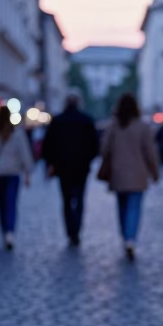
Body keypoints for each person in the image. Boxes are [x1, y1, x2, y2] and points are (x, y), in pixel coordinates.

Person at [99, 93, 159, 261]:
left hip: (118, 174)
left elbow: (104, 150)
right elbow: (150, 153)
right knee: (134, 208)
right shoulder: (143, 127)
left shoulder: (114, 127)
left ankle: (125, 236)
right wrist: (155, 172)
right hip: (138, 174)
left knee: (122, 207)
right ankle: (131, 238)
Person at [41, 91, 98, 247]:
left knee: (66, 200)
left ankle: (70, 230)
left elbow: (48, 146)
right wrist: (86, 160)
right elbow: (94, 147)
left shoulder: (57, 121)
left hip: (63, 168)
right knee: (79, 200)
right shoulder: (86, 120)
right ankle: (76, 230)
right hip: (81, 168)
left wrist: (51, 163)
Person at [0, 108, 34, 250]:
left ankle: (5, 230)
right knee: (11, 203)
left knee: (2, 204)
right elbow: (25, 154)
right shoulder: (17, 133)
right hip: (13, 173)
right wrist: (28, 172)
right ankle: (9, 231)